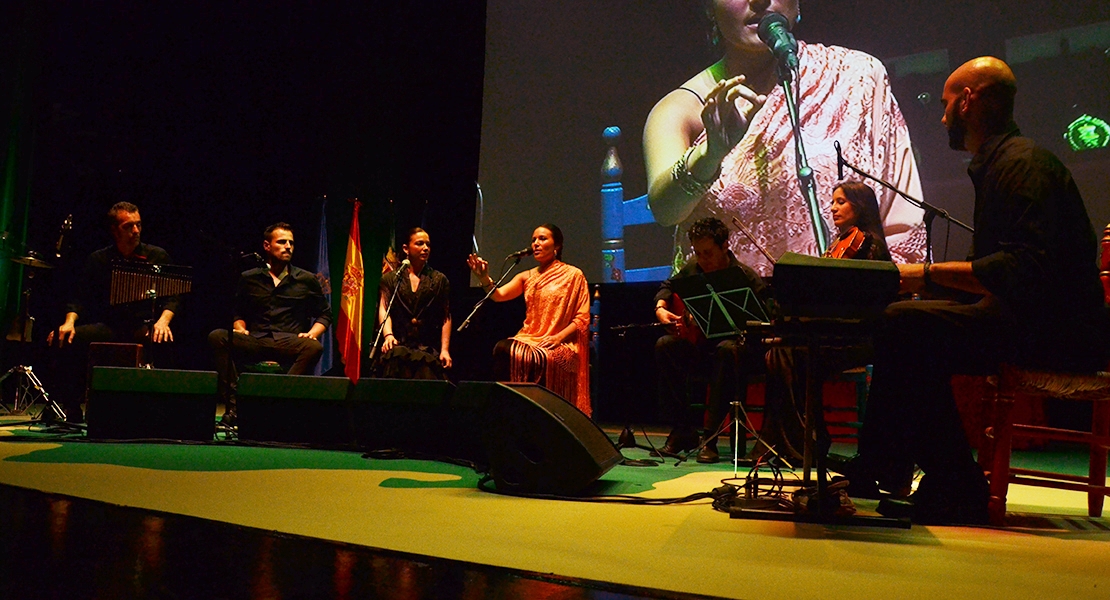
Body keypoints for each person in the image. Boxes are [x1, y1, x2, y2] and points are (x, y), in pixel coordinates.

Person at [844, 57, 1109, 525]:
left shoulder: (1025, 164)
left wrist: (923, 276)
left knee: (904, 327)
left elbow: (1022, 270)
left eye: (947, 103)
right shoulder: (1004, 164)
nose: (942, 115)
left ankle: (948, 482)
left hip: (1060, 332)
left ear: (968, 101)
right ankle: (892, 469)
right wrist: (926, 293)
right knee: (906, 325)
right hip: (1031, 320)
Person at [643, 0, 925, 275]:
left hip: (848, 307)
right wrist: (711, 153)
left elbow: (901, 218)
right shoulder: (681, 109)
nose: (760, 0)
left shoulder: (858, 77)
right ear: (708, 8)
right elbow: (666, 211)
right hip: (736, 309)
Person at [755, 181, 891, 465]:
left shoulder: (868, 244)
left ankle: (804, 442)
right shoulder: (841, 243)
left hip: (856, 337)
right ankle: (800, 440)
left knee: (786, 354)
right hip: (832, 332)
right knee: (781, 351)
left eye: (840, 202)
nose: (832, 208)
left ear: (860, 205)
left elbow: (858, 300)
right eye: (832, 202)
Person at [47, 202, 180, 422]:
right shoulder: (98, 259)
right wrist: (69, 322)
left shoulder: (157, 256)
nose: (136, 231)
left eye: (138, 225)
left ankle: (163, 411)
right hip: (109, 326)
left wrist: (163, 321)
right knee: (65, 338)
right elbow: (78, 298)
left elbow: (174, 296)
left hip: (143, 326)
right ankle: (70, 408)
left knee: (163, 341)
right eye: (129, 226)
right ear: (114, 230)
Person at [652, 217, 770, 463]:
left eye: (708, 253)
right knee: (665, 346)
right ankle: (683, 429)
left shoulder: (744, 276)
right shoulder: (694, 267)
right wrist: (661, 307)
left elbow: (767, 316)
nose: (703, 259)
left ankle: (711, 438)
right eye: (698, 253)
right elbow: (668, 285)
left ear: (725, 245)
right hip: (704, 351)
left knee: (726, 351)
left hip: (739, 355)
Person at [208, 223, 332, 425]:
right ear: (267, 246)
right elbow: (238, 312)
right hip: (256, 339)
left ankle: (281, 400)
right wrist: (239, 326)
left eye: (291, 243)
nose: (288, 247)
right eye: (282, 242)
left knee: (314, 347)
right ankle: (236, 403)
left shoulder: (306, 279)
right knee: (217, 337)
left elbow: (324, 314)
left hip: (288, 341)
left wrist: (313, 333)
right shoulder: (249, 278)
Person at [467, 224, 592, 416]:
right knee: (503, 348)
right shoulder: (527, 276)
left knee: (535, 356)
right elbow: (499, 295)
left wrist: (558, 338)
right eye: (533, 240)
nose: (536, 244)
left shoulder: (574, 275)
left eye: (542, 239)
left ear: (556, 245)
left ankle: (541, 414)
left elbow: (582, 318)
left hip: (560, 343)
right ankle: (508, 411)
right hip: (529, 338)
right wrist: (484, 278)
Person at [376, 228, 452, 379]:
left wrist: (445, 349)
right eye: (419, 244)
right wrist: (388, 335)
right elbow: (385, 308)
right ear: (406, 248)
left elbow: (446, 316)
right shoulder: (391, 279)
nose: (425, 248)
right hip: (398, 345)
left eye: (428, 245)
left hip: (425, 348)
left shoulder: (438, 280)